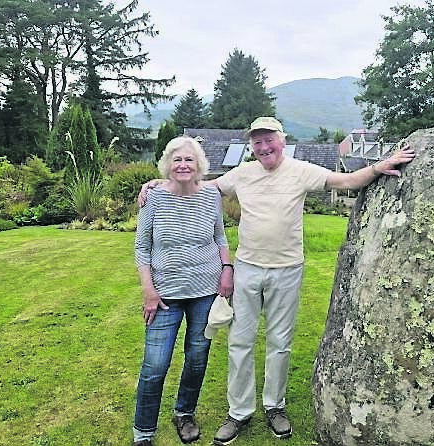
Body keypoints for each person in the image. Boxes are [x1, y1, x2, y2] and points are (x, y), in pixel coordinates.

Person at [138, 117, 415, 445]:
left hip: (287, 270)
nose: (263, 147)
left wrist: (380, 166)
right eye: (257, 142)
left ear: (281, 141)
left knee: (279, 341)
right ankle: (238, 411)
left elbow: (349, 180)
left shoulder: (302, 170)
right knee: (239, 342)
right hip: (247, 269)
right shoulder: (242, 172)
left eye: (269, 140)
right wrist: (157, 183)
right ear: (251, 146)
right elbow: (200, 185)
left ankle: (275, 406)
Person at [132, 136, 234, 446]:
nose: (183, 164)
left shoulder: (211, 196)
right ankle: (143, 432)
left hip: (205, 291)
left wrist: (227, 270)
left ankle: (184, 413)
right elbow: (141, 247)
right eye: (177, 159)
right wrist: (149, 291)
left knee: (197, 358)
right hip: (164, 295)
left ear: (199, 165)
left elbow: (220, 236)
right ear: (167, 165)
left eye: (189, 159)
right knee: (155, 365)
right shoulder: (154, 198)